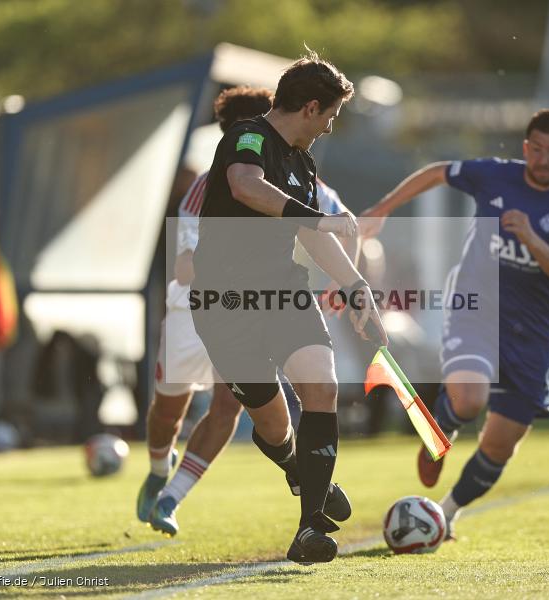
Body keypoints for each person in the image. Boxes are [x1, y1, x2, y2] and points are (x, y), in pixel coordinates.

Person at [360, 109, 549, 537]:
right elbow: (436, 172)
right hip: (476, 310)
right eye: (537, 150)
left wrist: (530, 237)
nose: (543, 160)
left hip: (533, 335)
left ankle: (445, 513)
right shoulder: (493, 175)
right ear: (526, 148)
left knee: (499, 443)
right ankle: (439, 435)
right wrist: (383, 208)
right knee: (469, 400)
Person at [191, 51, 387, 564]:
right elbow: (245, 187)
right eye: (329, 117)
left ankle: (309, 530)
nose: (328, 129)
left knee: (321, 386)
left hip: (283, 291)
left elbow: (313, 233)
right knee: (274, 426)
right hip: (224, 301)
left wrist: (356, 287)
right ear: (311, 107)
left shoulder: (303, 162)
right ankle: (297, 467)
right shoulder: (247, 137)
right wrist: (316, 219)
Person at [136, 86, 274, 535]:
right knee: (167, 414)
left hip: (244, 315)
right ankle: (159, 468)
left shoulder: (284, 177)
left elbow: (332, 218)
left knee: (227, 406)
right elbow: (184, 266)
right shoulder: (207, 187)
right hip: (191, 314)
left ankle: (171, 500)